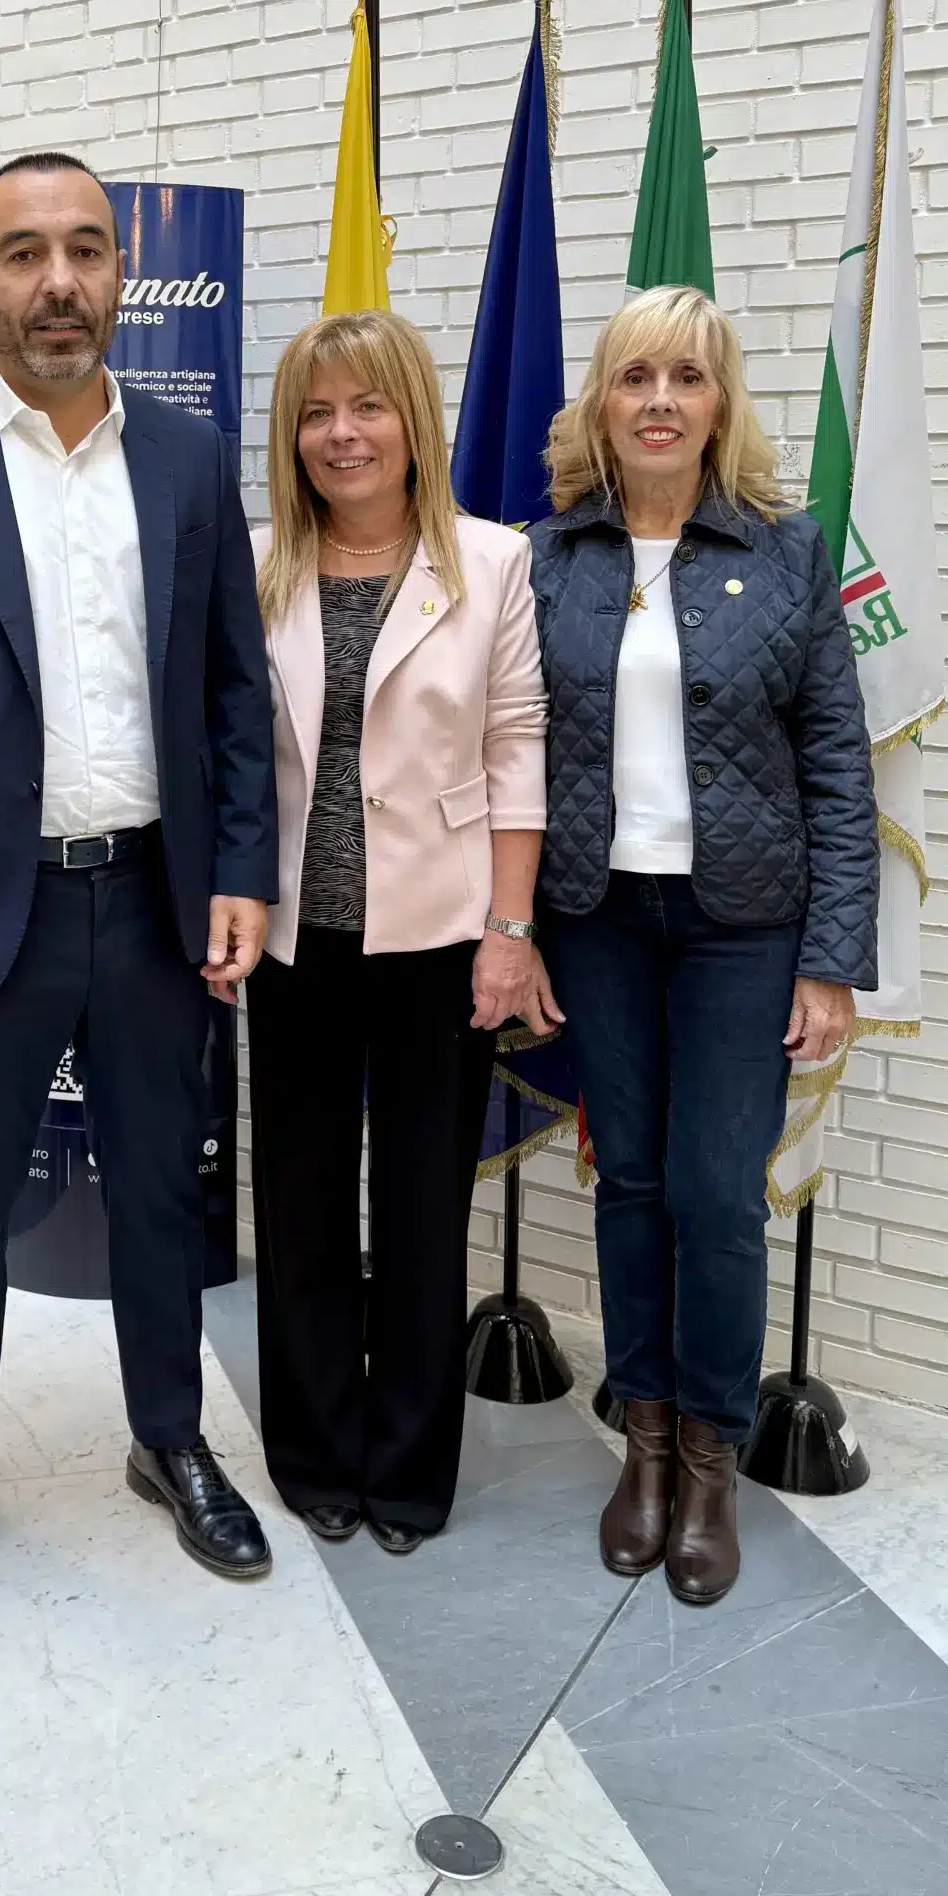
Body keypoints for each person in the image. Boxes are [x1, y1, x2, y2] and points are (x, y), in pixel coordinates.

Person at [0, 150, 279, 1631]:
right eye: (24, 254)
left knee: (161, 1190)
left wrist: (242, 874)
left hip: (154, 900)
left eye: (86, 248)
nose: (60, 281)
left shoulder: (188, 460)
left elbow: (231, 689)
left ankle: (170, 1440)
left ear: (120, 274)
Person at [530, 285, 877, 1606]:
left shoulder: (787, 554)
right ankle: (646, 1439)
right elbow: (512, 750)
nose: (660, 401)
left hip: (744, 927)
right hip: (598, 917)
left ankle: (712, 1458)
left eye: (687, 377)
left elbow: (837, 762)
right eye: (636, 377)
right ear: (602, 403)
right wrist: (516, 929)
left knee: (718, 1194)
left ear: (721, 402)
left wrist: (831, 956)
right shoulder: (548, 556)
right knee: (628, 1182)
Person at [248, 311, 552, 1554]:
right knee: (303, 1204)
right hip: (294, 937)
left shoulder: (492, 562)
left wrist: (510, 926)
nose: (343, 433)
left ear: (414, 420)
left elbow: (518, 744)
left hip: (443, 933)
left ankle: (412, 1467)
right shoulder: (261, 565)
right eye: (318, 412)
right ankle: (317, 1451)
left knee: (424, 1206)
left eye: (368, 406)